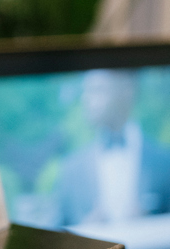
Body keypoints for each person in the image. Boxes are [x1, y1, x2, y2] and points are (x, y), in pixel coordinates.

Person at [55, 69, 170, 226]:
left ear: (127, 90)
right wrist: (85, 231)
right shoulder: (71, 169)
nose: (85, 98)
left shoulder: (164, 162)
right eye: (86, 91)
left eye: (97, 89)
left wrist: (149, 226)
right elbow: (55, 233)